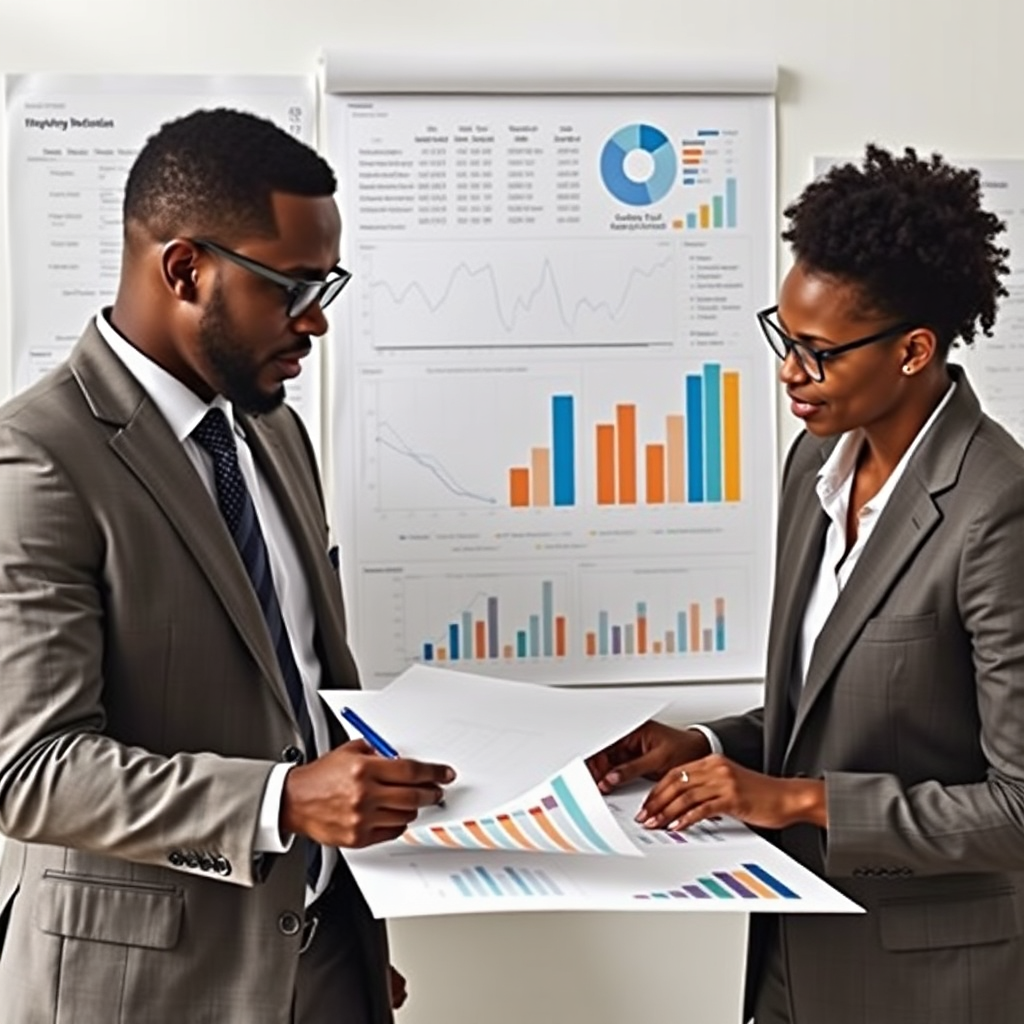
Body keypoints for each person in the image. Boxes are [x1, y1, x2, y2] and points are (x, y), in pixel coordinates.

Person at [0, 107, 455, 1024]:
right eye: (291, 288)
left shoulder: (275, 431)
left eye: (326, 286)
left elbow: (303, 684)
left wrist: (348, 919)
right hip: (144, 984)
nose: (316, 320)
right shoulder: (40, 458)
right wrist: (285, 801)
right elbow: (33, 770)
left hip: (322, 949)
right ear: (184, 268)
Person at [589, 145, 1024, 1024]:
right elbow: (830, 710)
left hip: (930, 983)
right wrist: (705, 747)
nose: (789, 371)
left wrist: (792, 800)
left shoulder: (997, 510)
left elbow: (1017, 806)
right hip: (791, 954)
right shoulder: (815, 463)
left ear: (913, 350)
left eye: (817, 352)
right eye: (784, 339)